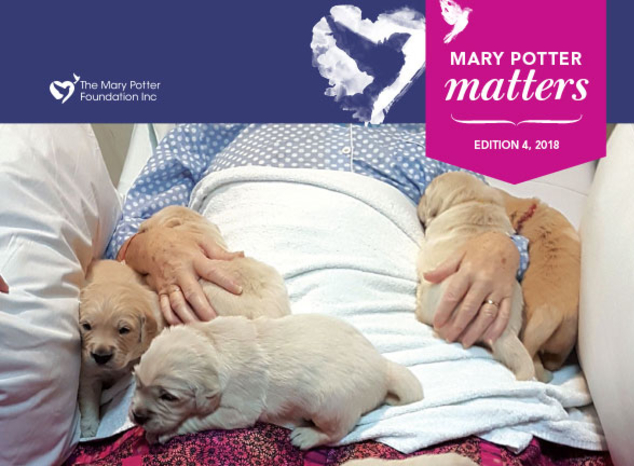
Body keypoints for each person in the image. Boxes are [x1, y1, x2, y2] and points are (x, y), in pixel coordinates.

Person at [108, 123, 528, 350]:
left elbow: (488, 223)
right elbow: (127, 234)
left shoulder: (427, 133)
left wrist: (500, 249)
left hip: (398, 340)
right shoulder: (214, 122)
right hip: (226, 339)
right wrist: (155, 247)